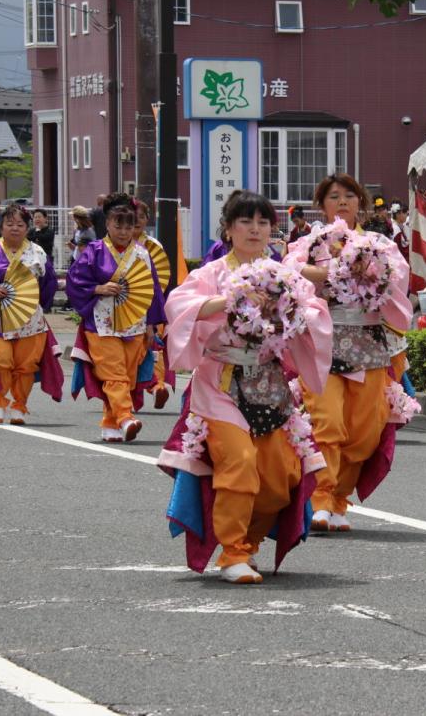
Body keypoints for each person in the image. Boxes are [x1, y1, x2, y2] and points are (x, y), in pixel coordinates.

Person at [160, 191, 333, 583]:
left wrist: (290, 311)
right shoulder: (213, 273)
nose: (255, 230)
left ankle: (250, 543)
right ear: (229, 229)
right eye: (246, 222)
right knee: (238, 460)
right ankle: (232, 551)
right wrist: (230, 299)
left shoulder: (285, 275)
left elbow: (315, 314)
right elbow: (179, 305)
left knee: (280, 475)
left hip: (269, 383)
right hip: (220, 383)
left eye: (263, 223)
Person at [289, 173, 412, 533]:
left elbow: (397, 278)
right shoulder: (309, 243)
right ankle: (321, 498)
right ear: (322, 205)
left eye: (348, 196)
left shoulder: (378, 243)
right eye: (333, 197)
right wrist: (329, 274)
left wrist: (370, 271)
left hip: (368, 343)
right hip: (323, 343)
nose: (342, 202)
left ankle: (340, 498)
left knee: (365, 429)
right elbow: (291, 275)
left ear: (360, 202)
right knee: (327, 421)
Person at [66, 193, 166, 443]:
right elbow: (75, 281)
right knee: (114, 373)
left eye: (128, 226)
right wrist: (97, 289)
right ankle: (125, 416)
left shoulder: (143, 254)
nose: (123, 231)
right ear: (108, 225)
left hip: (135, 322)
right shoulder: (94, 251)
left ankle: (110, 423)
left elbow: (152, 290)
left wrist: (153, 323)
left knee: (129, 374)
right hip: (102, 323)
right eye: (118, 225)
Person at [0, 204, 63, 425]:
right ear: (1, 227)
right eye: (9, 224)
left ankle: (19, 405)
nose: (14, 228)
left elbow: (48, 283)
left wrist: (39, 304)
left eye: (20, 224)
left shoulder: (38, 252)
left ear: (27, 228)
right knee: (2, 360)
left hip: (30, 319)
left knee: (26, 365)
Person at [134, 199, 173, 410]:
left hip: (149, 304)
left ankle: (157, 386)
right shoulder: (106, 247)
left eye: (141, 216)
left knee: (153, 348)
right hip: (120, 306)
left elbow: (161, 280)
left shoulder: (152, 246)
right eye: (133, 217)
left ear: (147, 219)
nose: (136, 221)